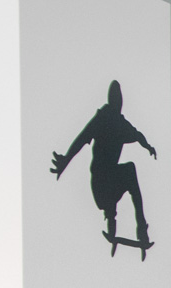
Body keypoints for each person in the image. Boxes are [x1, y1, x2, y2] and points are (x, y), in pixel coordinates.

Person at [51, 80, 157, 258]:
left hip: (106, 187)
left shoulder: (117, 122)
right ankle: (128, 223)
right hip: (101, 187)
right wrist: (65, 160)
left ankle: (124, 223)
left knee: (124, 171)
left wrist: (148, 147)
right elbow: (80, 141)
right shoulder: (105, 119)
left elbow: (138, 135)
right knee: (128, 170)